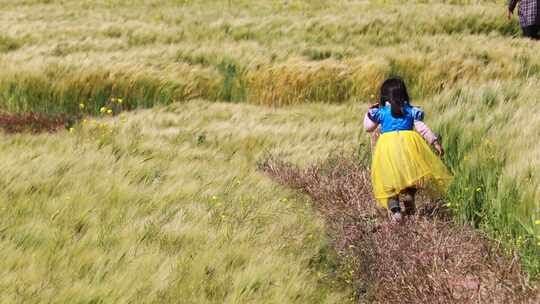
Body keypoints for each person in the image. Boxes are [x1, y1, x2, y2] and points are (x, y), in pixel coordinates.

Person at [364, 78, 452, 222]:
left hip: (388, 148)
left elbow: (368, 128)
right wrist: (434, 142)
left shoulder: (381, 112)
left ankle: (395, 210)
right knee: (412, 177)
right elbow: (422, 128)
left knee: (390, 181)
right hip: (409, 147)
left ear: (384, 96)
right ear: (404, 94)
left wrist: (369, 112)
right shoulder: (411, 111)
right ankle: (409, 196)